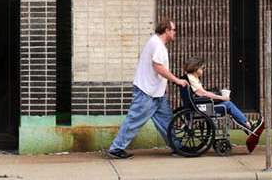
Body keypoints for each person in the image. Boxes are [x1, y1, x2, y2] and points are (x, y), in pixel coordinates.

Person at [108, 19, 188, 159]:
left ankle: (177, 147)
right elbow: (158, 66)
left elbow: (157, 69)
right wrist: (176, 80)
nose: (175, 33)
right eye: (174, 30)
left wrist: (164, 87)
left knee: (167, 121)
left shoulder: (156, 42)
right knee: (134, 120)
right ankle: (116, 148)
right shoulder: (157, 45)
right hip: (147, 93)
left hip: (156, 93)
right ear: (166, 30)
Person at [184, 57, 264, 152]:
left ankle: (247, 125)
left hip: (199, 105)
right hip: (201, 108)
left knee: (226, 104)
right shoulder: (192, 78)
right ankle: (248, 125)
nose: (203, 70)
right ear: (196, 68)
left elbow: (202, 93)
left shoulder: (191, 78)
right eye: (202, 68)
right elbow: (203, 94)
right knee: (228, 104)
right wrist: (222, 97)